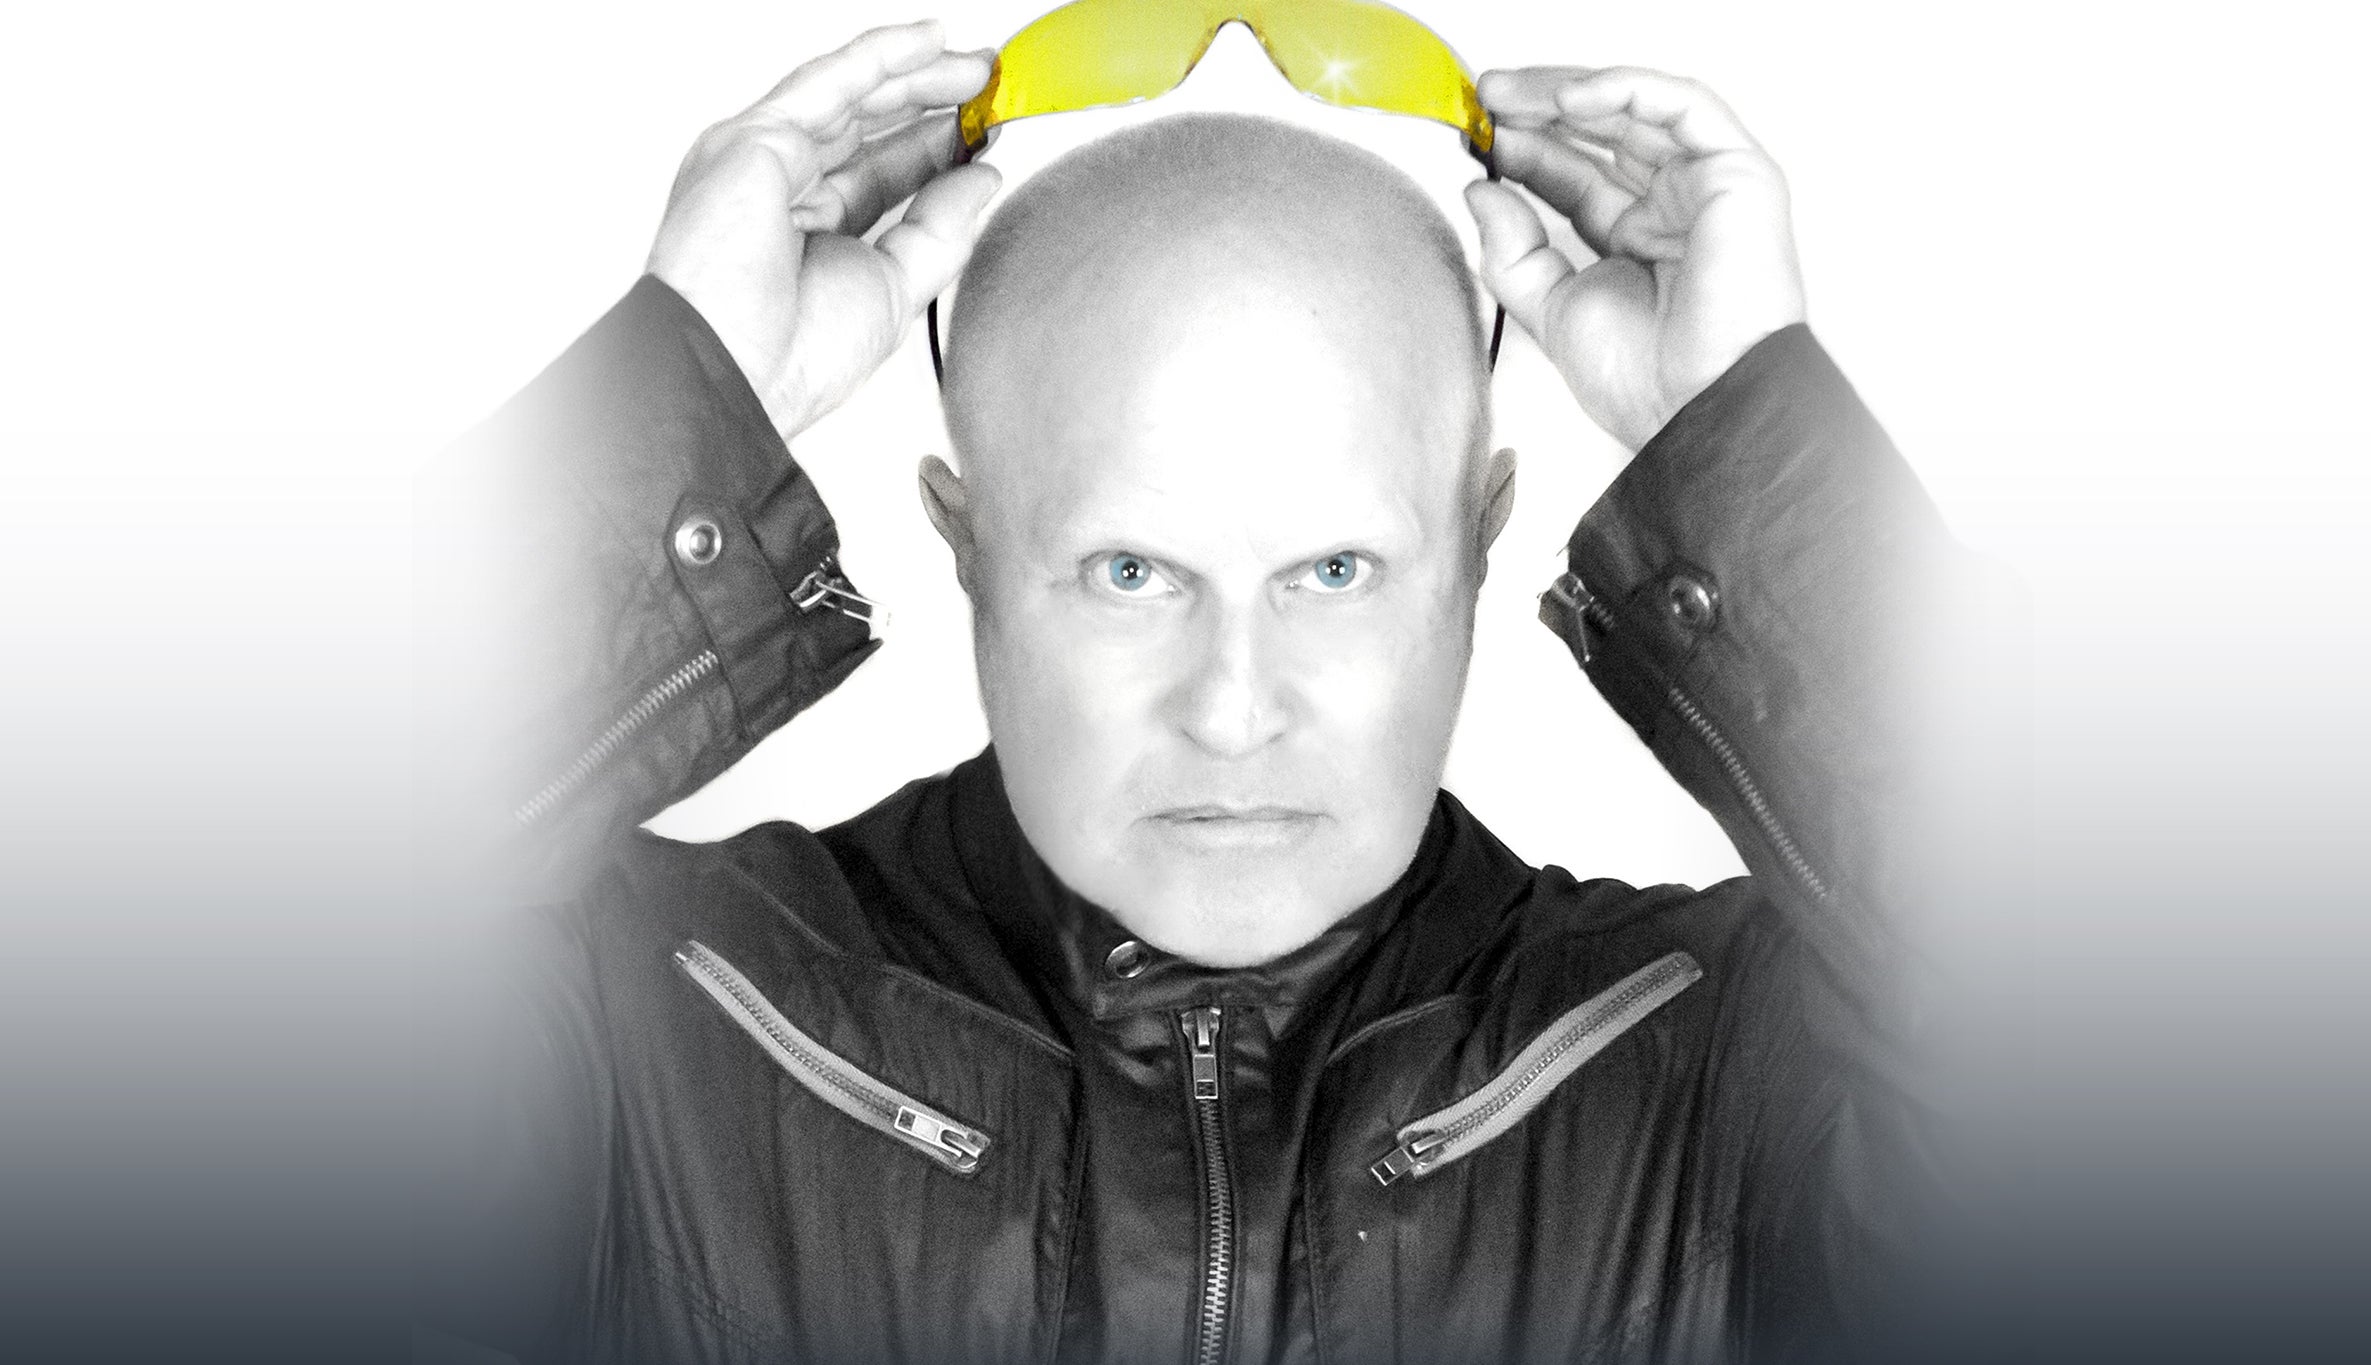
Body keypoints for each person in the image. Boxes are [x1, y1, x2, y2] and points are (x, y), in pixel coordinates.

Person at [414, 18, 1980, 1364]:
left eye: (1333, 571)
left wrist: (1742, 426)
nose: (1233, 709)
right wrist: (686, 380)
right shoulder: (643, 1018)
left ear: (1476, 548)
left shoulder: (1724, 1057)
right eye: (1130, 573)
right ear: (967, 546)